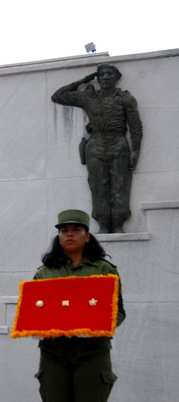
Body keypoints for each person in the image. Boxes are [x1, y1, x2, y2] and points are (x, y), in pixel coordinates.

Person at [33, 209, 126, 402]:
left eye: (76, 229)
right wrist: (35, 326)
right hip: (53, 353)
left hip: (92, 351)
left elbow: (118, 311)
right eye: (64, 230)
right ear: (58, 237)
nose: (69, 234)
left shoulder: (104, 270)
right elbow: (34, 309)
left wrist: (96, 326)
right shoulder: (44, 273)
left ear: (87, 236)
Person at [51, 64, 143, 233]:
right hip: (95, 144)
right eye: (101, 74)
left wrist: (135, 150)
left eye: (109, 74)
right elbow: (58, 95)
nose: (105, 77)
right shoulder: (88, 97)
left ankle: (118, 225)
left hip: (118, 142)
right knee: (98, 186)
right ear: (98, 78)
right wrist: (84, 80)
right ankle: (103, 225)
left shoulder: (125, 98)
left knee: (120, 185)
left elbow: (135, 126)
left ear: (116, 78)